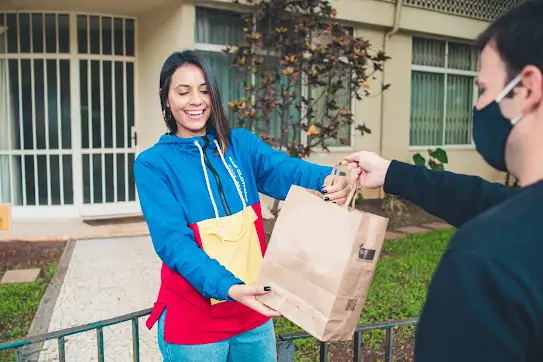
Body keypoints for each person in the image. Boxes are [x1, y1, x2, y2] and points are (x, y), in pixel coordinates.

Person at [343, 0, 543, 360]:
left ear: (527, 88)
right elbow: (487, 200)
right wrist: (391, 173)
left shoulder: (487, 259)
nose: (479, 106)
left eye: (482, 89)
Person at [134, 50, 354, 362]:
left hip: (254, 311)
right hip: (195, 324)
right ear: (166, 99)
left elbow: (285, 170)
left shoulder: (240, 145)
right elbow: (173, 244)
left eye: (204, 90)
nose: (195, 101)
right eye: (183, 92)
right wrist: (230, 287)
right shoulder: (153, 164)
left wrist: (331, 178)